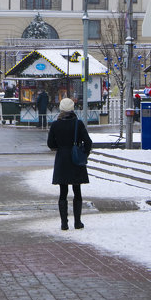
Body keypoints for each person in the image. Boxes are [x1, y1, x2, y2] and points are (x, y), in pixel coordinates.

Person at [48, 97, 93, 230]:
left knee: (63, 192)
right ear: (72, 109)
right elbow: (88, 142)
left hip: (62, 159)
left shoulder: (55, 125)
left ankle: (64, 223)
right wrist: (83, 153)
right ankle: (77, 222)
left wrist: (60, 147)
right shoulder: (78, 124)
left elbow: (50, 144)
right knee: (77, 190)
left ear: (61, 109)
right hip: (75, 160)